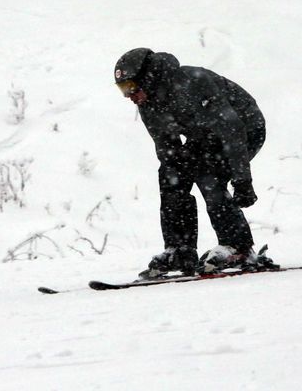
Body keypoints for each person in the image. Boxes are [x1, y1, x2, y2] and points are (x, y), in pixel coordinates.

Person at [114, 47, 275, 278]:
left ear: (148, 78)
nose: (129, 96)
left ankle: (237, 248)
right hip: (204, 136)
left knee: (208, 173)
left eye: (131, 87)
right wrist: (175, 175)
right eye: (122, 89)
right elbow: (167, 149)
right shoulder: (146, 103)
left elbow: (233, 131)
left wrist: (242, 181)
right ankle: (180, 250)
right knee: (171, 176)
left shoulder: (194, 83)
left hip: (245, 128)